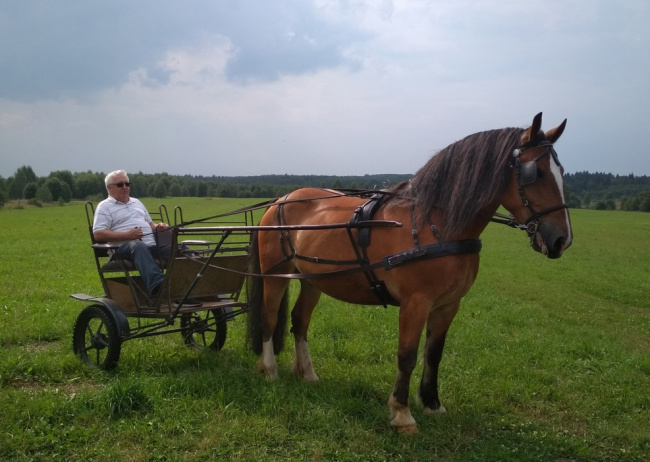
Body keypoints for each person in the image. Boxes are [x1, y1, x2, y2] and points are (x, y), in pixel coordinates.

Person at [93, 170, 171, 297]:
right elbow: (98, 234)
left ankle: (187, 287)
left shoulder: (137, 202)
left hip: (150, 247)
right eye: (120, 185)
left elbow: (151, 226)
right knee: (137, 246)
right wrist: (128, 235)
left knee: (179, 249)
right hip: (121, 250)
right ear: (109, 188)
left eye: (127, 184)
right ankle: (159, 288)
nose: (125, 187)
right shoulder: (104, 207)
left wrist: (159, 227)